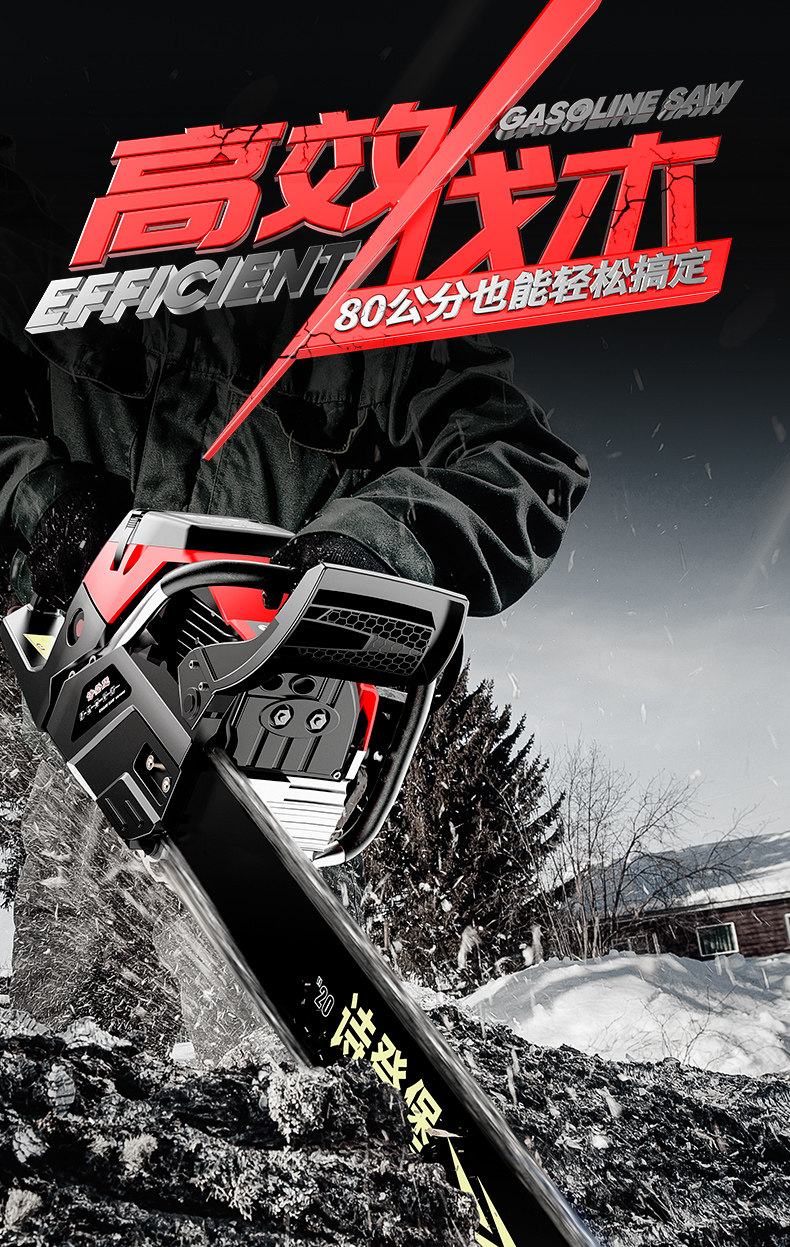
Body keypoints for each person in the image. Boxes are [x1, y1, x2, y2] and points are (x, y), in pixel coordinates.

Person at [0, 142, 589, 1061]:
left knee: (265, 1046)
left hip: (271, 739)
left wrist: (375, 544)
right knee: (60, 1028)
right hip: (93, 707)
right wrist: (39, 498)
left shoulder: (382, 303)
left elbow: (523, 460)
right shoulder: (70, 243)